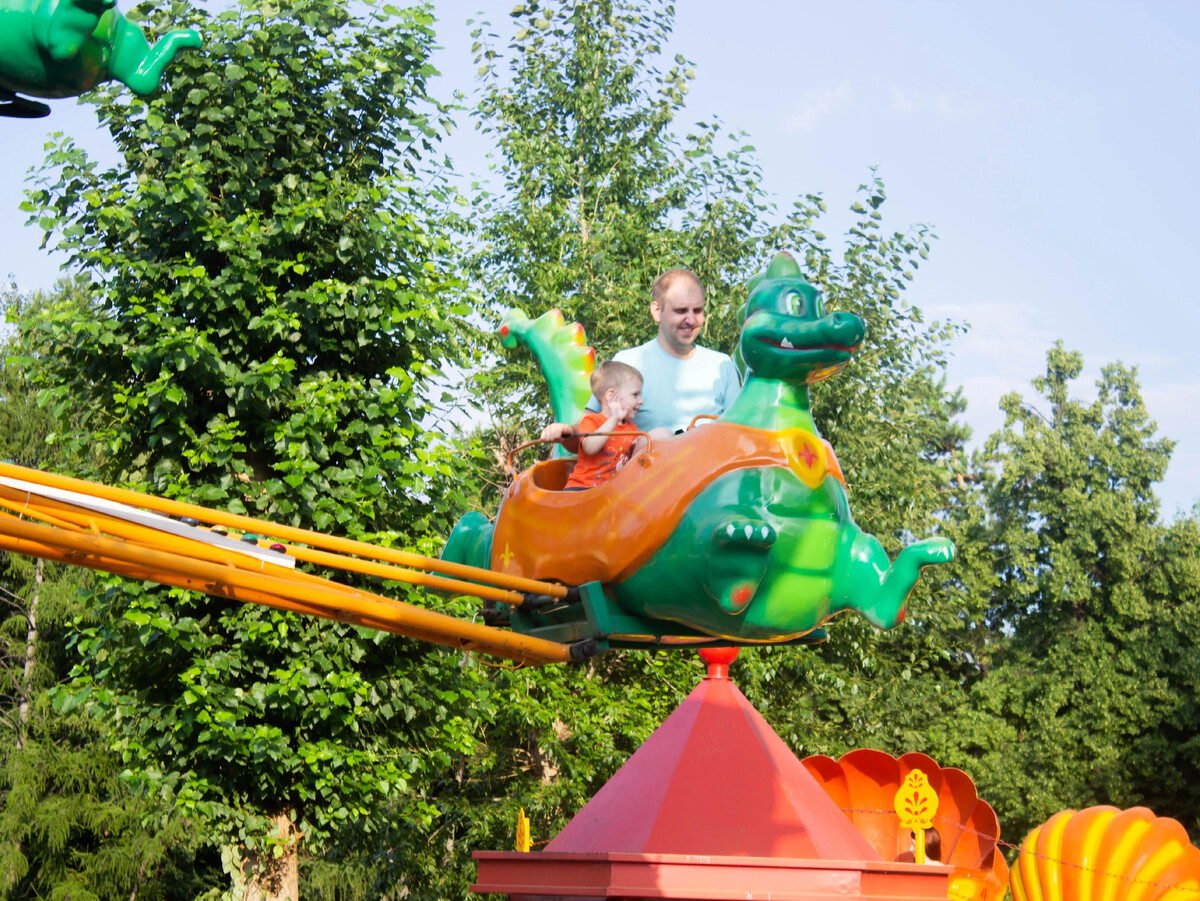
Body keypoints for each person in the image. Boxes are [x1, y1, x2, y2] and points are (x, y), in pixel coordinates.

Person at [542, 268, 741, 445]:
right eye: (681, 311)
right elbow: (586, 436)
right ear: (657, 311)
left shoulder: (722, 365)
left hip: (710, 476)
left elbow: (739, 435)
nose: (691, 320)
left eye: (697, 310)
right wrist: (567, 433)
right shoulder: (627, 363)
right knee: (660, 436)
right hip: (647, 478)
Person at [562, 361, 649, 490]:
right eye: (635, 394)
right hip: (581, 489)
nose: (641, 401)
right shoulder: (591, 421)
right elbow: (590, 448)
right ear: (611, 395)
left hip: (609, 493)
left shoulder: (632, 429)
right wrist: (614, 419)